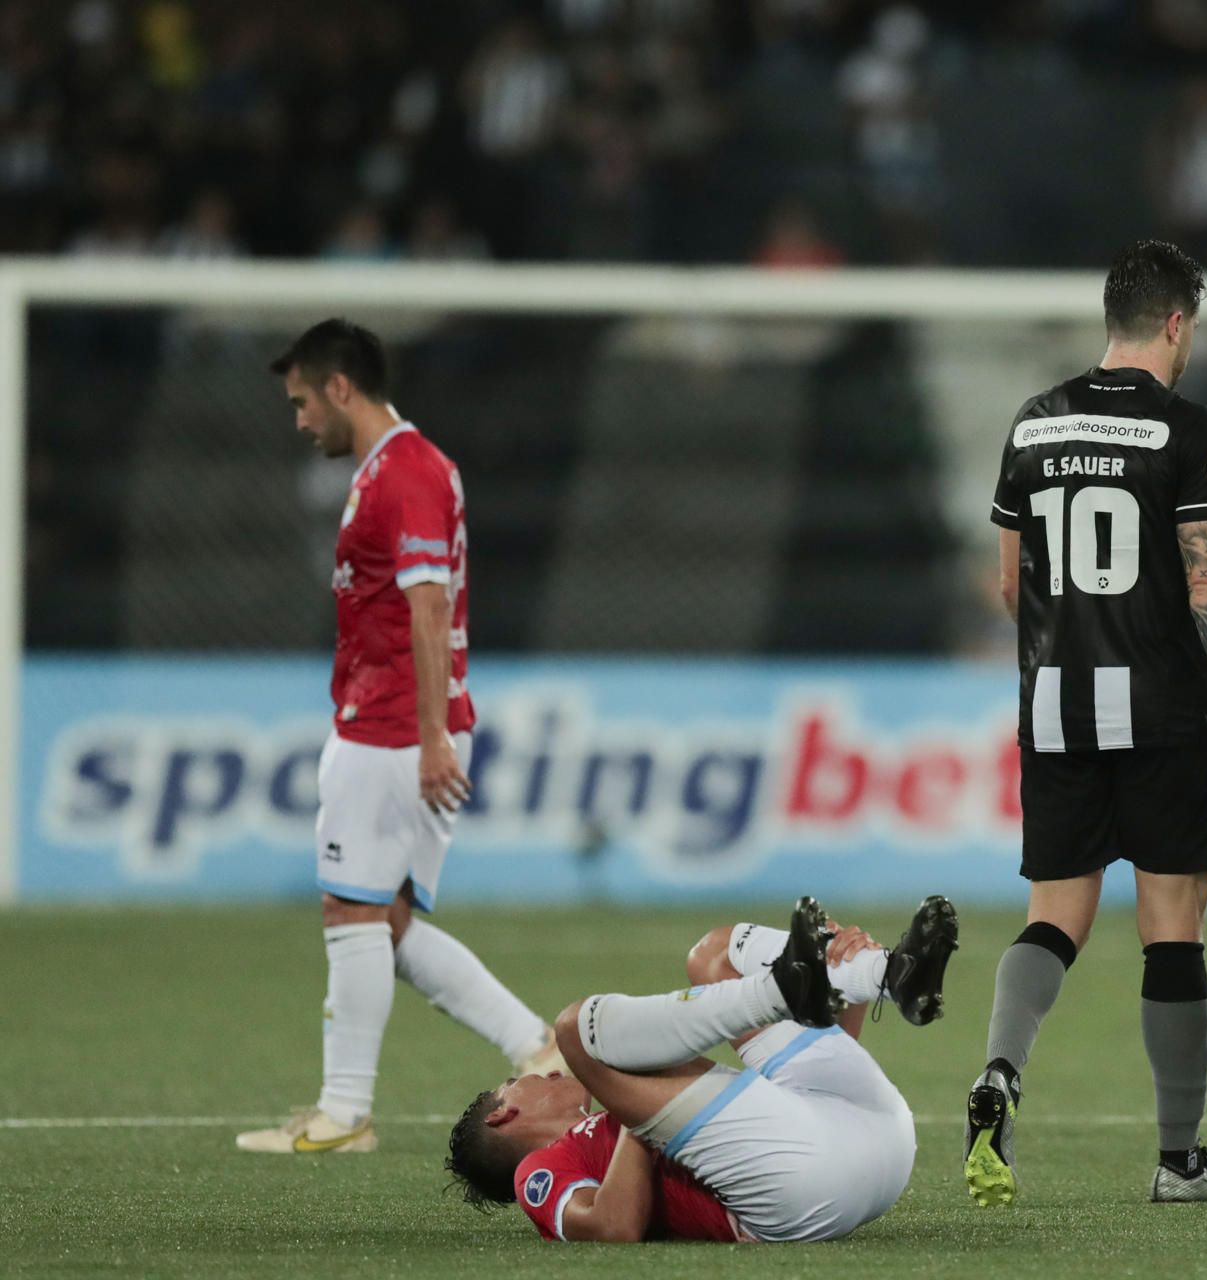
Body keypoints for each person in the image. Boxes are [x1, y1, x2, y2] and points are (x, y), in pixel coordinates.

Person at [968, 239, 1207, 1207]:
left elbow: (1010, 584)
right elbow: (1206, 577)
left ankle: (1001, 1073)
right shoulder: (1189, 426)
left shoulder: (1034, 420)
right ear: (1176, 322)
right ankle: (1179, 1160)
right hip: (1161, 711)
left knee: (1053, 915)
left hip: (1054, 706)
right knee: (1170, 925)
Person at [238, 320, 562, 1155]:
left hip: (392, 728)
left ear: (341, 387)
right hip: (390, 720)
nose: (301, 420)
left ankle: (343, 1116)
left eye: (304, 401)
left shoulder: (407, 473)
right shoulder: (393, 468)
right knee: (383, 920)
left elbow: (426, 604)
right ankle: (540, 1049)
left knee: (352, 911)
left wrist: (427, 740)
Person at [444, 895, 959, 1243]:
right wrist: (636, 1118)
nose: (543, 1074)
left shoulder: (642, 1103)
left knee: (712, 956)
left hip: (870, 1135)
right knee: (576, 1030)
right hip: (798, 1195)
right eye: (517, 1081)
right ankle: (782, 988)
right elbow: (611, 1227)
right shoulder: (541, 1168)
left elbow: (819, 1071)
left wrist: (842, 986)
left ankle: (887, 974)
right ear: (502, 1115)